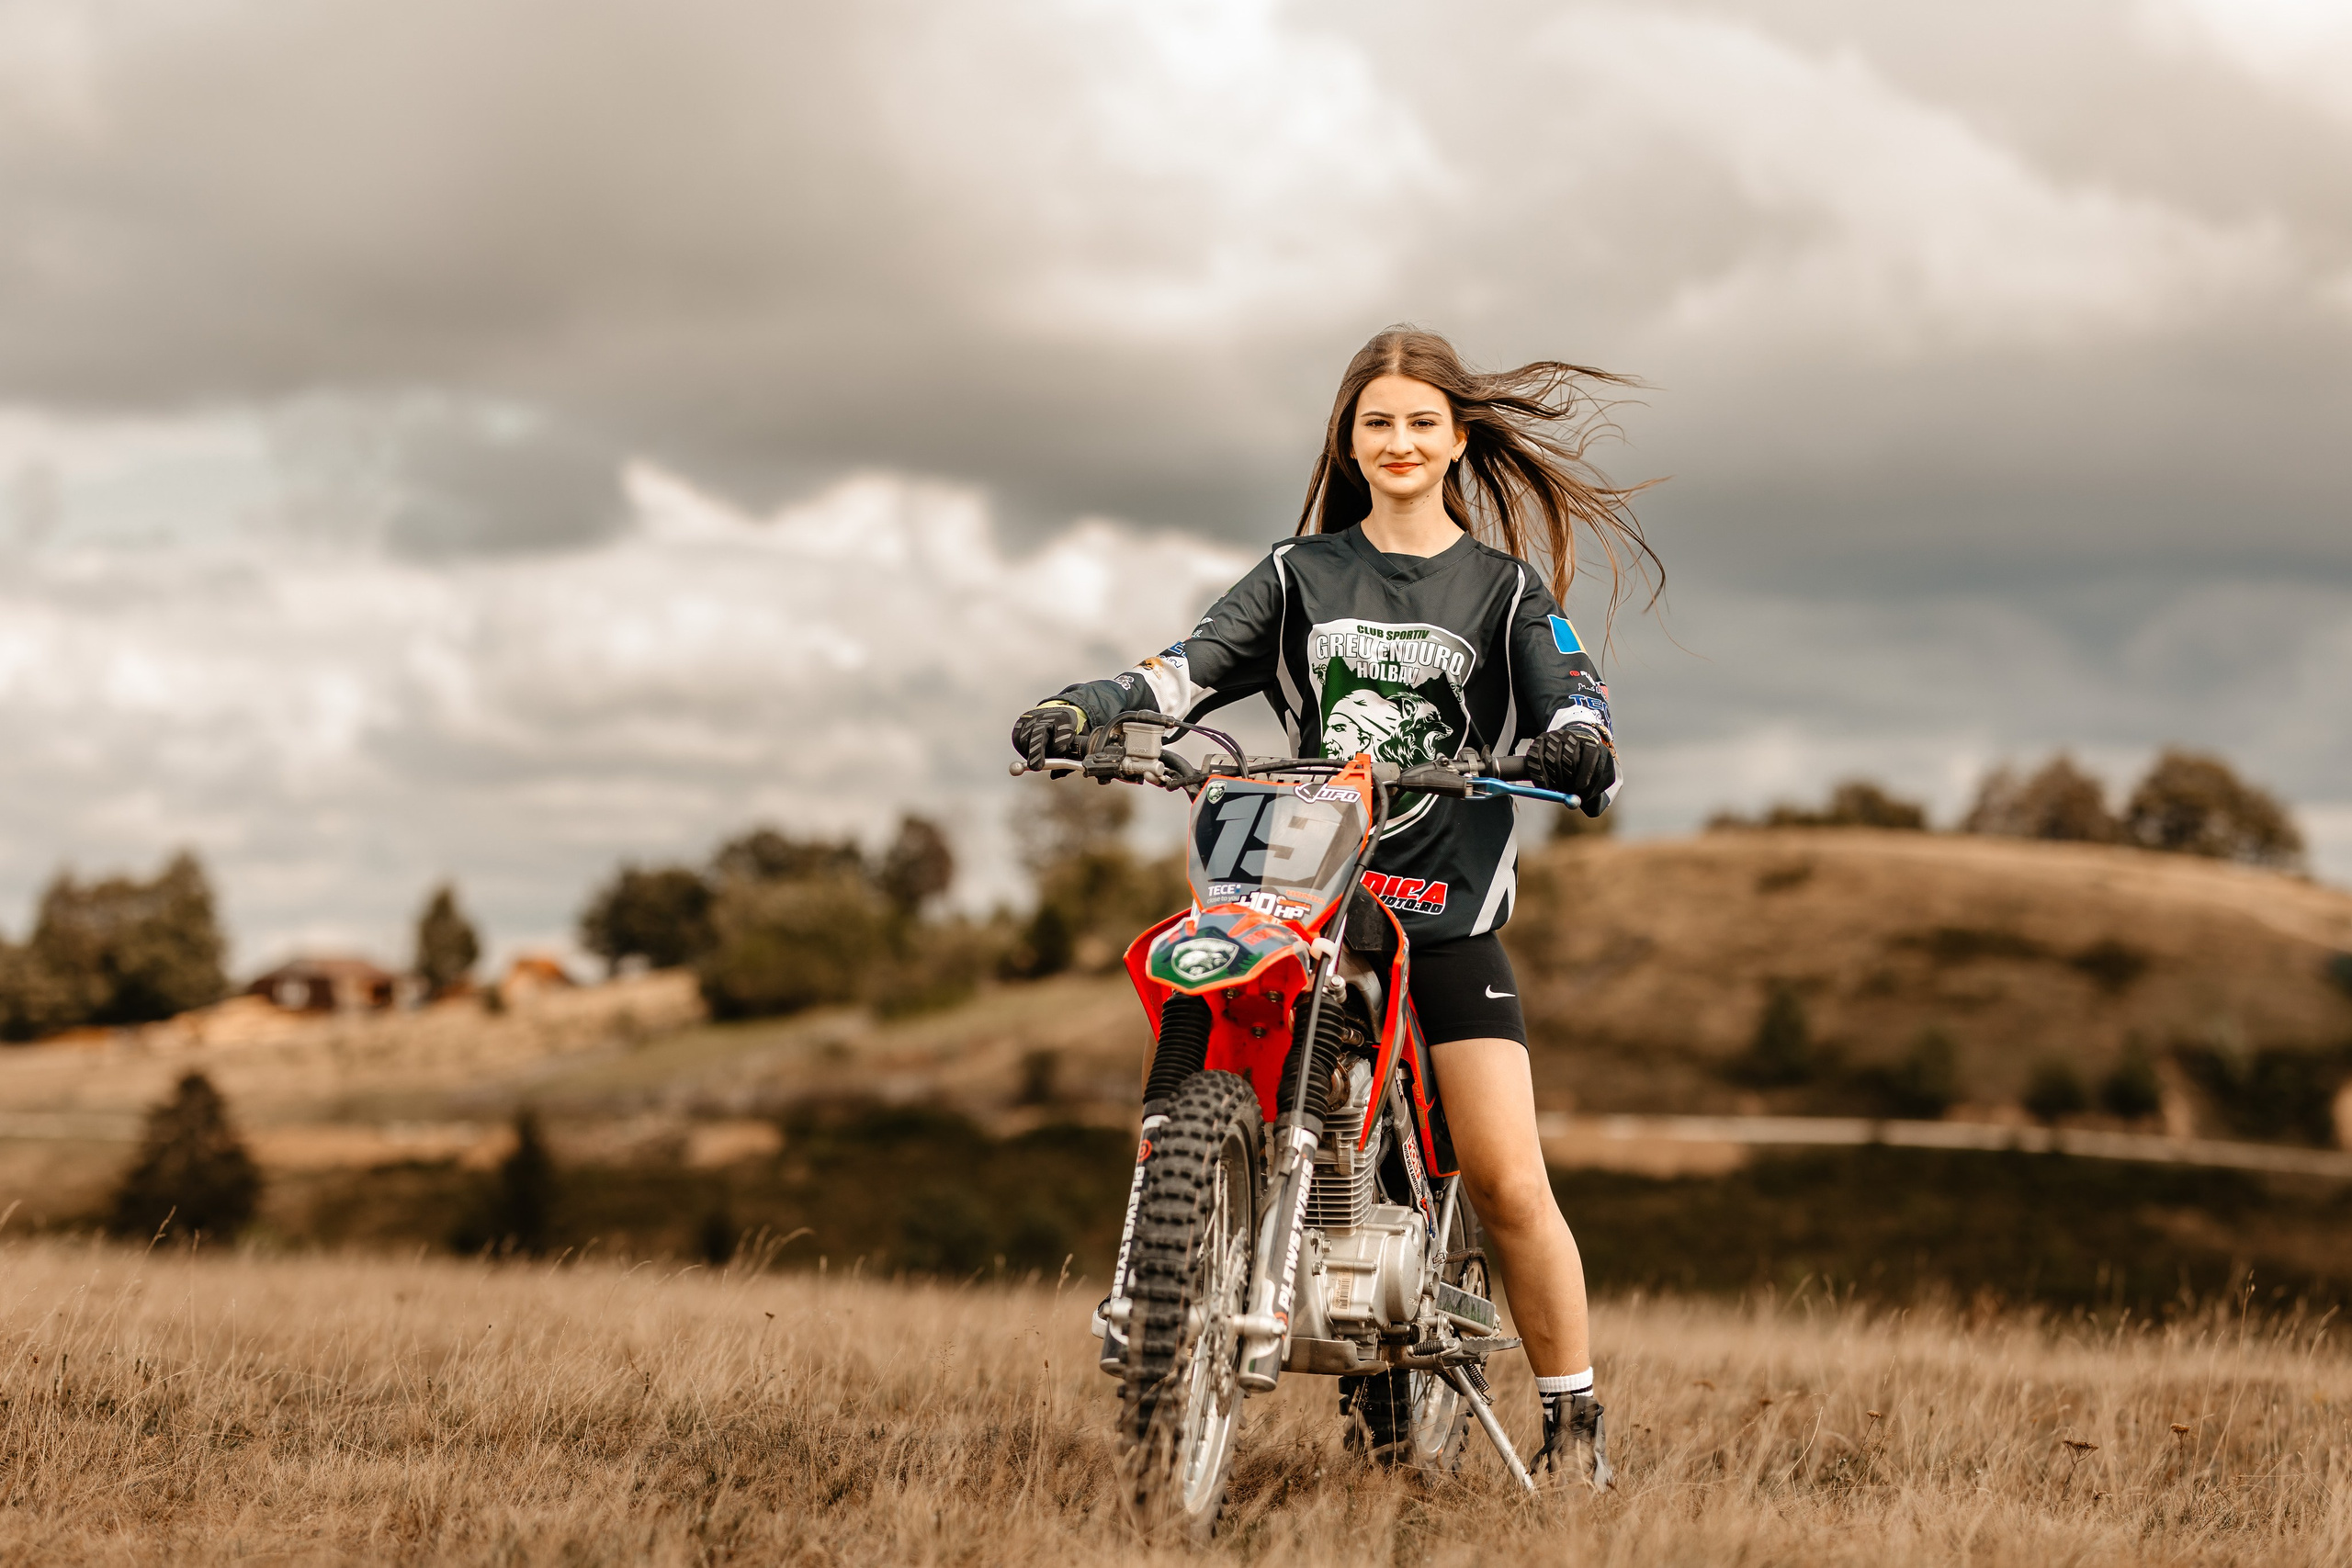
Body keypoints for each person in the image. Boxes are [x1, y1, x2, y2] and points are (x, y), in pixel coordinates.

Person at [1011, 325, 1659, 1491]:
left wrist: (1576, 738)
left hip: (1444, 910)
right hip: (1309, 891)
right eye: (1376, 423)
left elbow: (1572, 691)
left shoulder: (1504, 588)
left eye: (1420, 422)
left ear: (1455, 440)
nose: (1398, 441)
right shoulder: (1298, 574)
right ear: (1349, 442)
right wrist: (1091, 704)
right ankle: (1190, 1259)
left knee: (1507, 1178)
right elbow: (1185, 668)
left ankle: (1574, 1423)